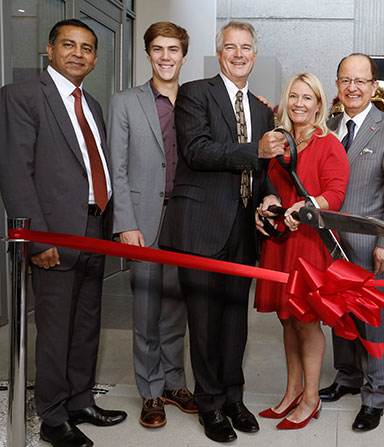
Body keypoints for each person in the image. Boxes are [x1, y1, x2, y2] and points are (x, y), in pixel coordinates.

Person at [0, 19, 126, 447]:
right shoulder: (21, 97)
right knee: (54, 330)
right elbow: (16, 173)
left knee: (87, 322)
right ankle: (53, 418)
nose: (78, 53)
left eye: (87, 48)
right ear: (49, 50)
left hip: (95, 226)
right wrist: (37, 241)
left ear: (95, 58)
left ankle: (79, 400)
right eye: (68, 45)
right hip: (54, 234)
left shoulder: (92, 103)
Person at [158, 20, 285, 443]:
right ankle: (209, 404)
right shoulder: (195, 93)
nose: (238, 54)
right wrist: (256, 150)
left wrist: (267, 197)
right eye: (230, 47)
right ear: (219, 52)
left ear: (254, 53)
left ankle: (234, 397)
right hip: (200, 226)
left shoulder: (264, 110)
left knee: (235, 321)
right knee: (205, 321)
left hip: (243, 230)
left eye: (246, 47)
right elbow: (197, 151)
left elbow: (263, 169)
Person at [108, 22, 196, 429]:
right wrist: (125, 222)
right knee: (146, 309)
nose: (166, 56)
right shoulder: (125, 102)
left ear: (183, 55)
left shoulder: (197, 101)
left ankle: (174, 381)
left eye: (173, 49)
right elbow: (117, 169)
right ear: (147, 54)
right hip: (142, 220)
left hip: (185, 219)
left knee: (177, 308)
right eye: (158, 49)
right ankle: (150, 390)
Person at [318, 53, 384, 432]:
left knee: (372, 320)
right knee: (338, 314)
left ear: (374, 87)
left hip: (369, 244)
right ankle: (347, 377)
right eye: (345, 80)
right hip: (328, 242)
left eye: (361, 81)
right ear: (337, 85)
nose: (353, 87)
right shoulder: (326, 127)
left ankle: (375, 395)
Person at [254, 73, 349, 429]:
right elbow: (271, 184)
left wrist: (306, 208)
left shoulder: (329, 144)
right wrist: (269, 200)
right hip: (281, 243)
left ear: (319, 105)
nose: (299, 104)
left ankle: (310, 398)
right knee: (286, 319)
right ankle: (292, 390)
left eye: (308, 98)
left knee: (307, 322)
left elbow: (336, 195)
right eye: (294, 96)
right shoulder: (279, 143)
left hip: (309, 246)